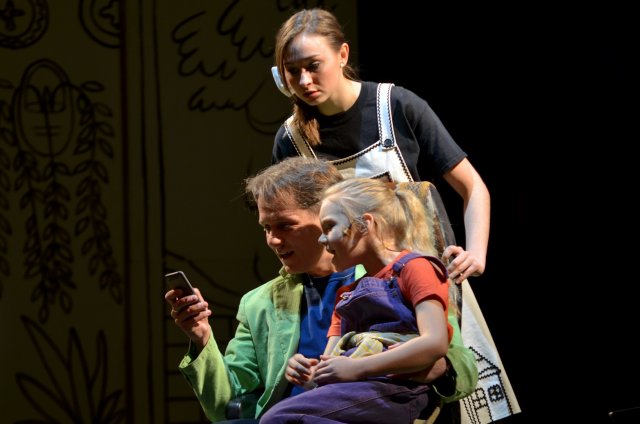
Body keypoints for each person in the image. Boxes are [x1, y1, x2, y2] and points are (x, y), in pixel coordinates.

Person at [164, 157, 475, 423]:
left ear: (330, 215)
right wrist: (201, 337)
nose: (273, 240)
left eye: (286, 225)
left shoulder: (396, 275)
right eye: (266, 228)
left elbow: (459, 365)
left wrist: (425, 367)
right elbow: (224, 406)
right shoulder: (259, 303)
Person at [271, 8, 490, 283]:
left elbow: (472, 186)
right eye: (293, 71)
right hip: (347, 291)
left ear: (342, 55)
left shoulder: (396, 106)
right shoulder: (291, 140)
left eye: (313, 66)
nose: (304, 81)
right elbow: (287, 226)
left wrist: (476, 254)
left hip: (425, 280)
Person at [261, 178, 452, 423]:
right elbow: (328, 370)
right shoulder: (347, 296)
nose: (322, 239)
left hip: (397, 391)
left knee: (280, 418)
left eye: (329, 227)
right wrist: (309, 374)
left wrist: (358, 367)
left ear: (365, 224)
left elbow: (435, 343)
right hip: (356, 393)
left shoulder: (415, 268)